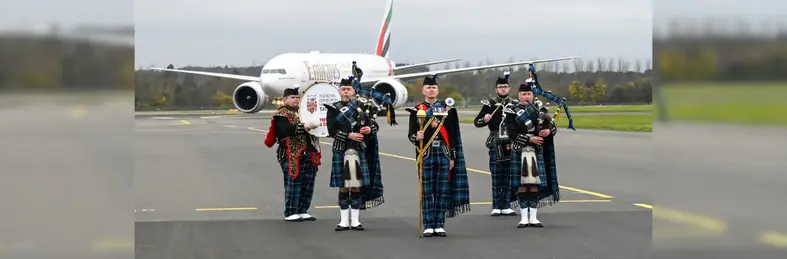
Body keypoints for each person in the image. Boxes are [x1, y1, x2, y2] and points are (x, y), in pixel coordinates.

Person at [407, 75, 471, 237]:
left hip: (443, 152)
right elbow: (410, 135)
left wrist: (452, 157)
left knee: (442, 190)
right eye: (428, 88)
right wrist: (417, 137)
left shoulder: (448, 109)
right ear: (423, 91)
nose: (431, 90)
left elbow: (453, 135)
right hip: (425, 153)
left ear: (438, 90)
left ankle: (439, 224)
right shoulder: (417, 110)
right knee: (427, 191)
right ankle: (428, 224)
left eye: (434, 88)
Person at [324, 77, 385, 231]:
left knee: (357, 186)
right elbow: (331, 131)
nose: (346, 92)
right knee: (344, 186)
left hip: (359, 149)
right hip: (341, 149)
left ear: (354, 91)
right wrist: (349, 135)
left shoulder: (363, 107)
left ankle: (356, 221)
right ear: (339, 91)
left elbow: (374, 125)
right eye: (343, 89)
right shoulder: (333, 108)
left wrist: (369, 130)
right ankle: (344, 221)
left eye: (349, 89)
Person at [504, 78, 560, 228]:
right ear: (519, 95)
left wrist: (548, 131)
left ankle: (533, 217)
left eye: (529, 93)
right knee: (522, 184)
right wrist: (530, 139)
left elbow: (551, 128)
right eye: (523, 94)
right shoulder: (511, 110)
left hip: (537, 151)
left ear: (533, 95)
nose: (526, 96)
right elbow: (511, 133)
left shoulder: (541, 110)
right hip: (520, 150)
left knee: (534, 184)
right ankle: (523, 217)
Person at [264, 87, 322, 222]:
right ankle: (291, 211)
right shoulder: (281, 115)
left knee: (308, 183)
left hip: (309, 152)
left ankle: (302, 210)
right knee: (294, 182)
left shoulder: (305, 112)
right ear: (284, 100)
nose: (295, 100)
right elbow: (285, 130)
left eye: (297, 97)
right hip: (291, 154)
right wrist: (303, 127)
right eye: (292, 97)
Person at [473, 71, 518, 216]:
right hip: (495, 141)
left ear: (509, 88)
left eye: (505, 86)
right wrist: (484, 119)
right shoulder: (490, 104)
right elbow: (477, 123)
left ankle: (506, 205)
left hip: (511, 142)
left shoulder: (515, 104)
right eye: (500, 87)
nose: (503, 89)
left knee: (509, 174)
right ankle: (496, 205)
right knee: (497, 174)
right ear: (496, 89)